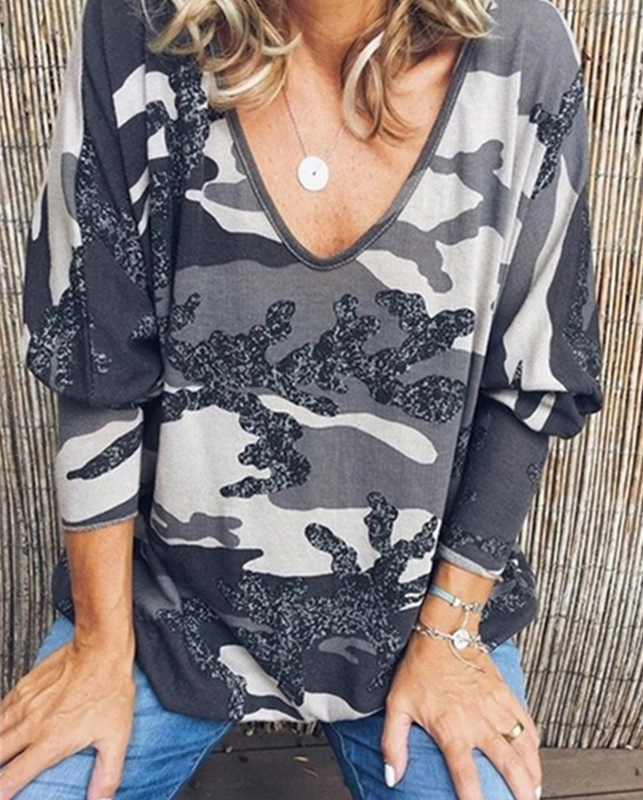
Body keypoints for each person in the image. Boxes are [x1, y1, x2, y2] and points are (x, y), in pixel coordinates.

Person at [1, 0, 603, 797]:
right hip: (160, 613)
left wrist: (450, 632)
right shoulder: (140, 22)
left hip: (420, 617)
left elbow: (534, 375)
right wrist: (100, 646)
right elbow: (95, 354)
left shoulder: (523, 47)